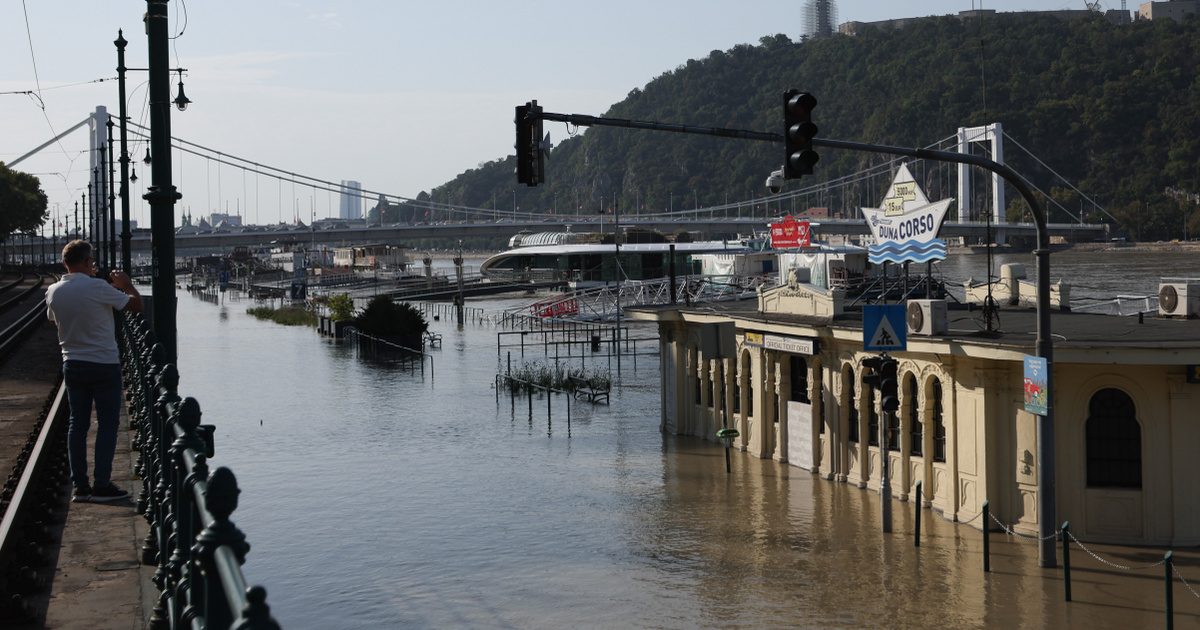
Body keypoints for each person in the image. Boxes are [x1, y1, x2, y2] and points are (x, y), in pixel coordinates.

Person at [45, 240, 143, 503]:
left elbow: (53, 319)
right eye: (92, 261)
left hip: (72, 363)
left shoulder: (53, 291)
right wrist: (125, 285)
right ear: (86, 262)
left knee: (78, 424)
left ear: (65, 263)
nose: (94, 265)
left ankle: (80, 486)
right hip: (103, 364)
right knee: (108, 424)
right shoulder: (98, 287)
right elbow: (135, 305)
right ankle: (102, 484)